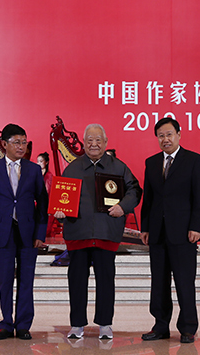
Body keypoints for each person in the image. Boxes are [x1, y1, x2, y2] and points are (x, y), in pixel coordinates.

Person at [53, 124, 142, 340]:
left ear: (106, 142)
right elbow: (61, 198)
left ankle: (105, 324)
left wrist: (123, 207)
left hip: (106, 232)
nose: (94, 144)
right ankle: (76, 324)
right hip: (78, 233)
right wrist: (60, 212)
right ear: (84, 143)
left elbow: (135, 190)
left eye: (98, 140)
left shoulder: (118, 167)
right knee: (76, 281)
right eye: (90, 140)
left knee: (106, 280)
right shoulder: (72, 168)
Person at [0, 123, 48, 341]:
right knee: (5, 281)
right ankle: (6, 324)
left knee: (26, 281)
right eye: (16, 142)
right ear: (4, 144)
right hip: (1, 234)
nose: (21, 146)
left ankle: (24, 325)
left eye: (24, 142)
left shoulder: (33, 170)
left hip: (28, 233)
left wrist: (40, 234)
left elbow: (42, 204)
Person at [140, 117, 200, 344]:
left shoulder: (194, 160)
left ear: (179, 134)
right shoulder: (151, 162)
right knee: (158, 283)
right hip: (157, 233)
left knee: (184, 281)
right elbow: (148, 199)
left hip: (184, 233)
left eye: (169, 134)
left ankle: (188, 327)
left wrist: (196, 226)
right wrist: (145, 227)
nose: (165, 139)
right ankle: (160, 326)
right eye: (161, 136)